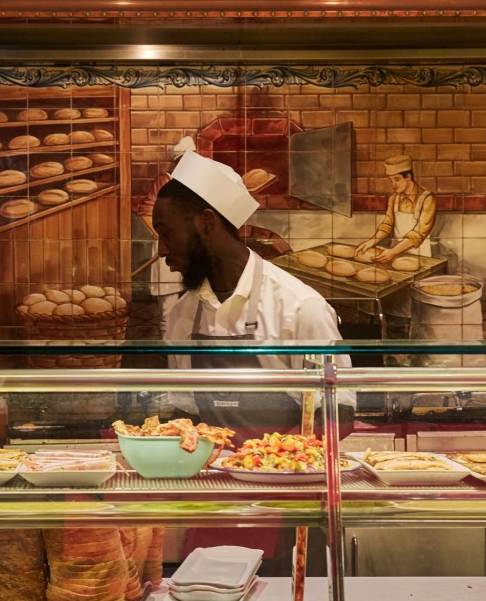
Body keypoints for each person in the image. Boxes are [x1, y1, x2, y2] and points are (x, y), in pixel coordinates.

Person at [152, 151, 354, 567]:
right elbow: (184, 415)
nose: (161, 250)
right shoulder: (181, 315)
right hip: (214, 504)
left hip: (292, 507)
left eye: (166, 233)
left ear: (206, 223)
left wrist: (267, 464)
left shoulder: (299, 308)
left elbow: (341, 415)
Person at [133, 135, 196, 335]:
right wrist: (163, 236)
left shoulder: (196, 181)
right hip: (168, 248)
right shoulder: (165, 180)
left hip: (189, 247)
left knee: (191, 299)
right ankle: (170, 350)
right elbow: (144, 210)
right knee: (168, 304)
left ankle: (183, 345)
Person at [354, 154, 436, 265]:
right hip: (394, 255)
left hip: (419, 256)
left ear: (408, 177)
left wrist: (393, 251)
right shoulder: (394, 198)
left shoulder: (427, 199)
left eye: (397, 179)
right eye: (390, 180)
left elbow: (418, 234)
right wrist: (371, 241)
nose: (393, 184)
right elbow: (387, 225)